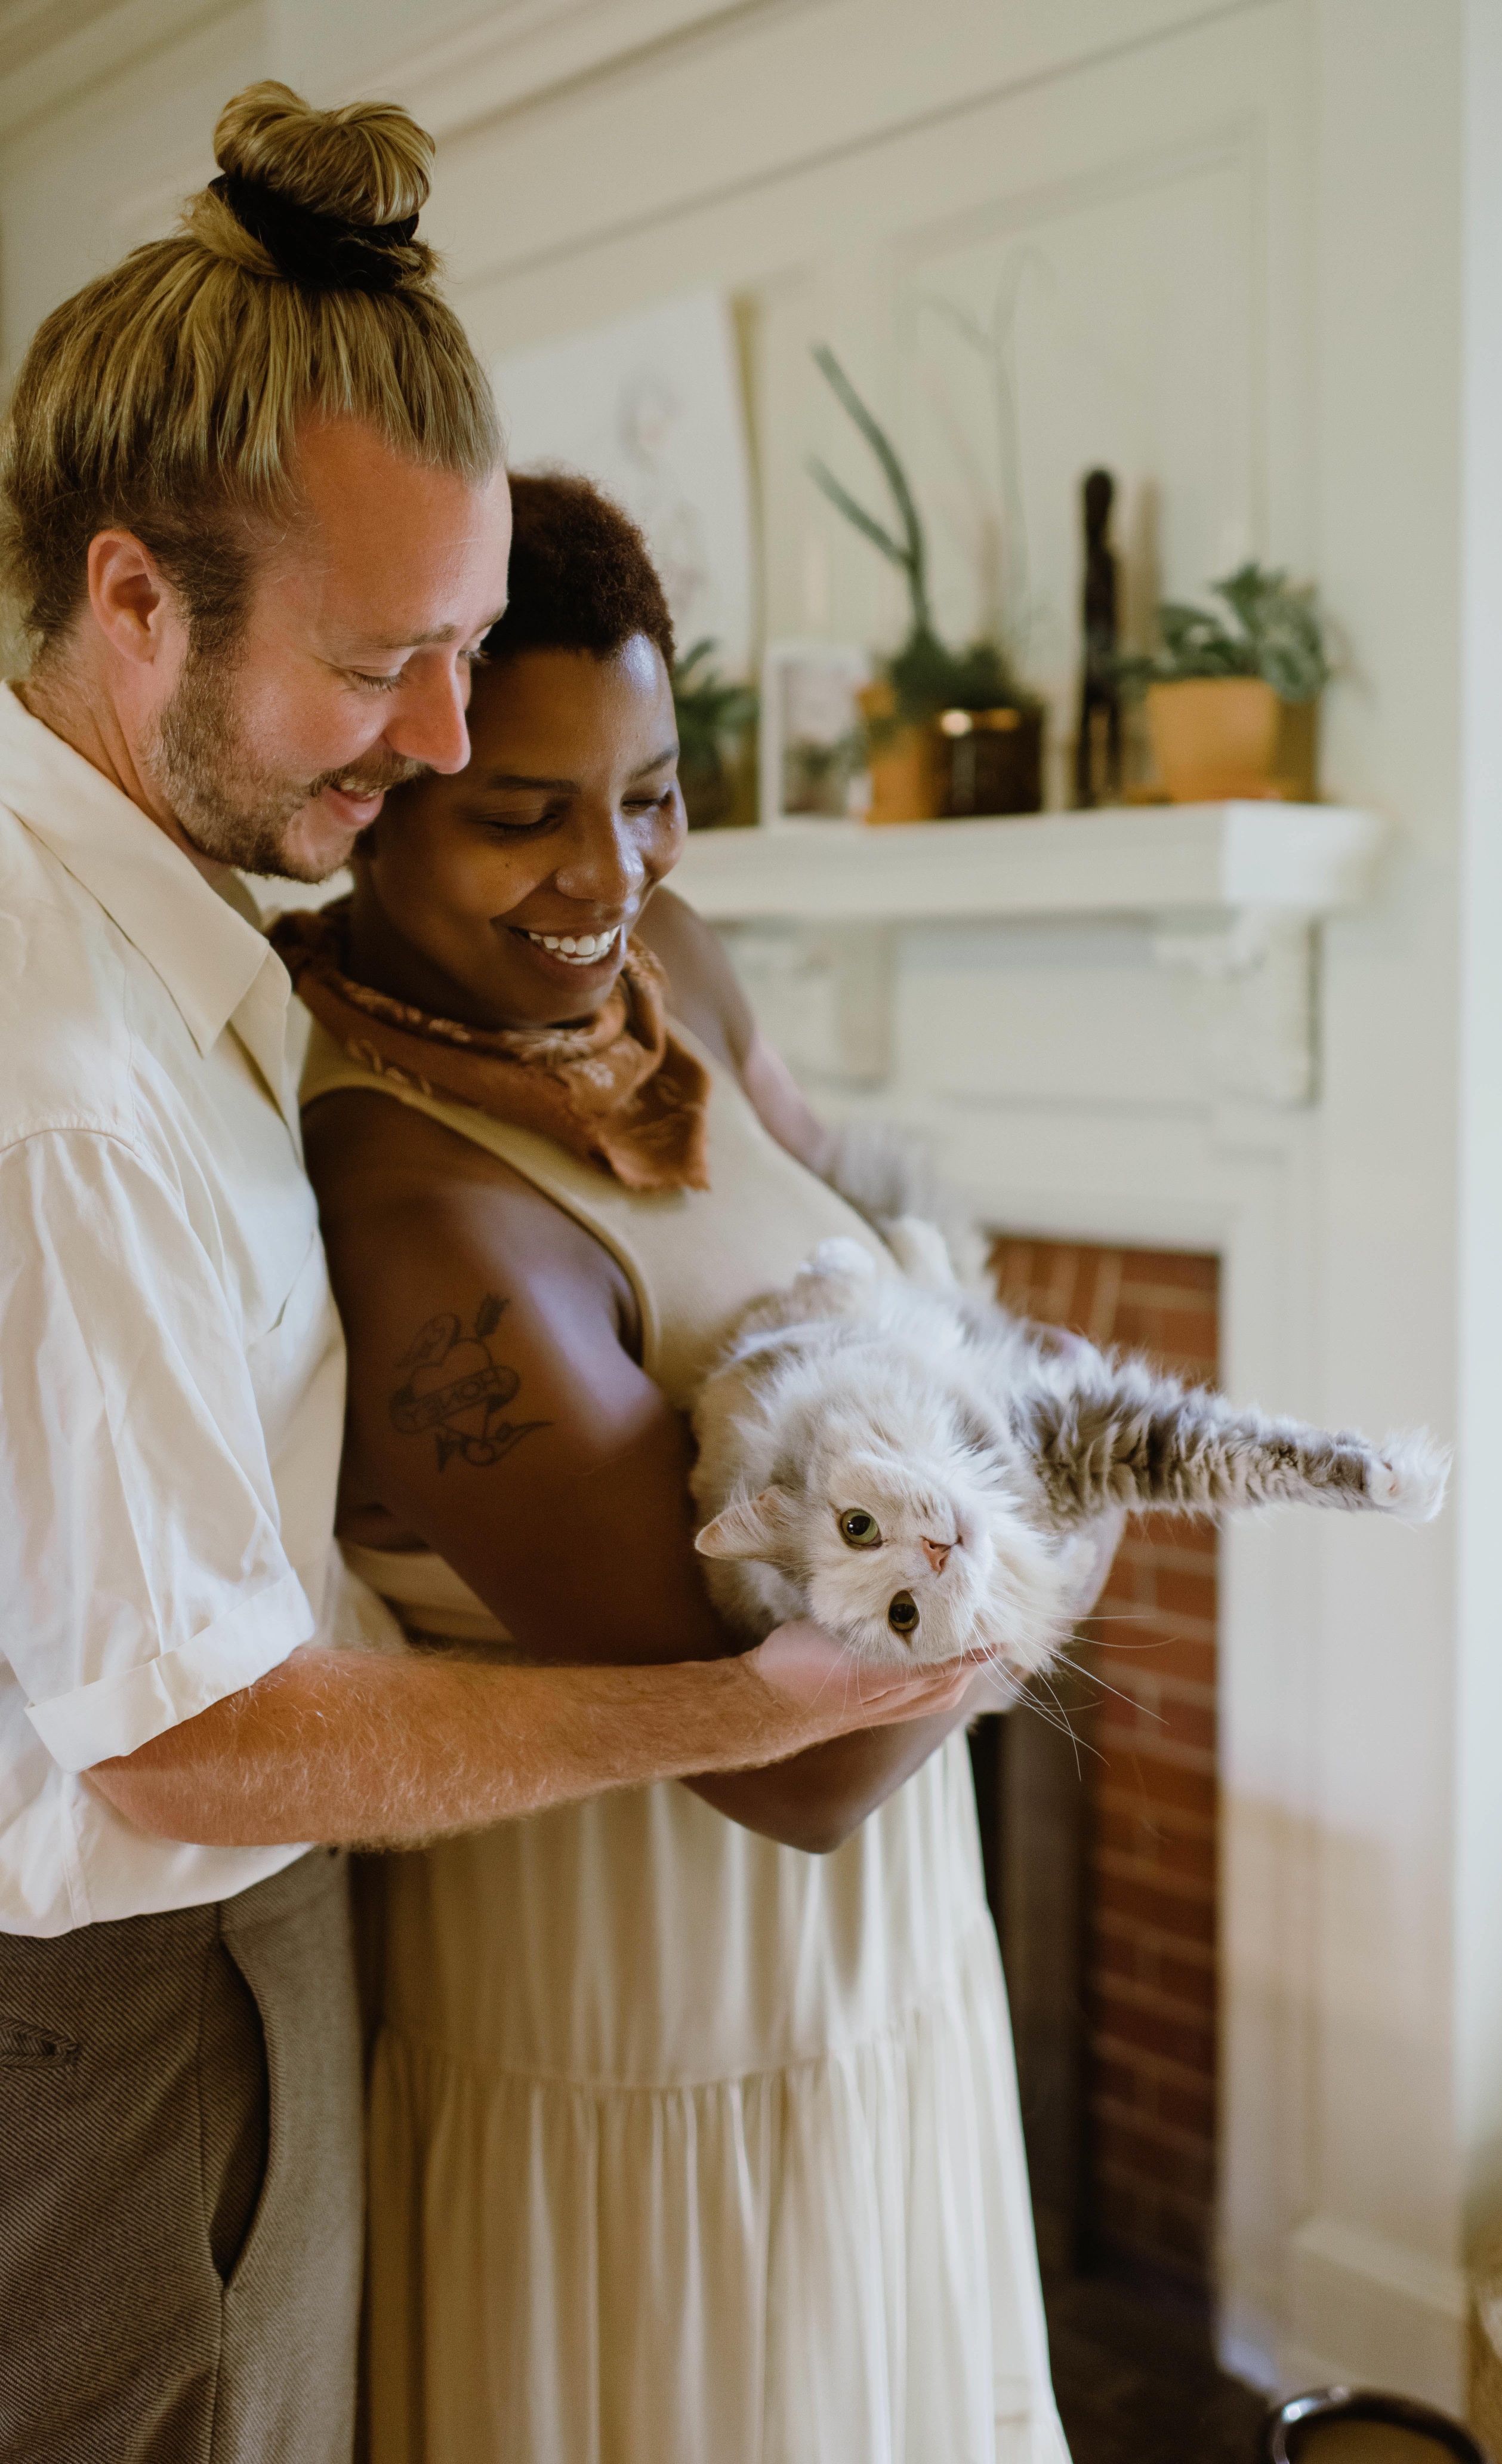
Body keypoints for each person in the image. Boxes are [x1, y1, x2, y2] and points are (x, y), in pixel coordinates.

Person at [0, 86, 967, 2464]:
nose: (438, 745)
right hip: (132, 2016)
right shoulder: (59, 1080)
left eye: (467, 664)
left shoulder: (181, 957)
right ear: (136, 602)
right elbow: (187, 1723)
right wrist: (748, 1709)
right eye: (382, 672)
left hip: (264, 1953)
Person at [284, 471, 1108, 2463]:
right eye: (519, 812)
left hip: (876, 1974)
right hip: (645, 2019)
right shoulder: (422, 1225)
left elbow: (876, 1268)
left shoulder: (673, 977)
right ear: (378, 791)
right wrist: (1064, 1502)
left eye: (647, 790)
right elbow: (801, 1763)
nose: (608, 870)